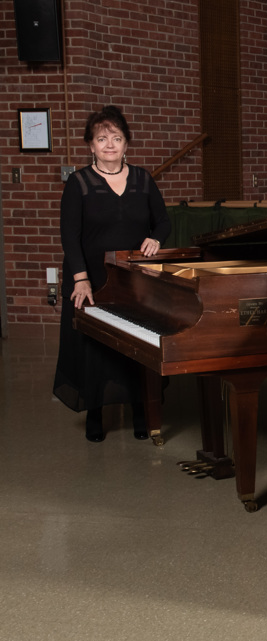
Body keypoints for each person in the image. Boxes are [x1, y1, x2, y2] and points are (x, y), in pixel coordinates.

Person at [53, 106, 171, 442]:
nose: (109, 144)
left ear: (126, 144)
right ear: (90, 145)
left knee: (135, 345)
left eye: (116, 138)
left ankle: (139, 410)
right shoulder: (79, 183)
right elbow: (69, 235)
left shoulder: (143, 180)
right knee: (95, 347)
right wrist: (80, 278)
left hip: (132, 280)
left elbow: (163, 221)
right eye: (102, 138)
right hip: (91, 280)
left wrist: (155, 238)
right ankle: (95, 412)